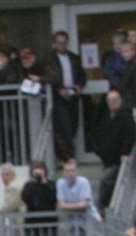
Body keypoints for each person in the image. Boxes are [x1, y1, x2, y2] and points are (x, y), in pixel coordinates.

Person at [92, 90, 136, 213]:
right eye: (110, 101)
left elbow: (131, 137)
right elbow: (98, 135)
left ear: (120, 101)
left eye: (115, 100)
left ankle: (101, 207)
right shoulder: (107, 118)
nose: (113, 103)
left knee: (105, 181)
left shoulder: (126, 117)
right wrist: (99, 151)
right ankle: (104, 207)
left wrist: (125, 153)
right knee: (108, 182)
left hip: (118, 160)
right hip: (106, 160)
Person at [46, 30, 86, 162]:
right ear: (54, 44)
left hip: (73, 96)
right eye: (59, 43)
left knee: (74, 126)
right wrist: (58, 89)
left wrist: (79, 85)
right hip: (58, 98)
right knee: (65, 128)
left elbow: (82, 75)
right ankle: (70, 158)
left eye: (64, 43)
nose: (62, 45)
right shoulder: (49, 59)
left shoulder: (74, 58)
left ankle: (66, 155)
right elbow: (48, 77)